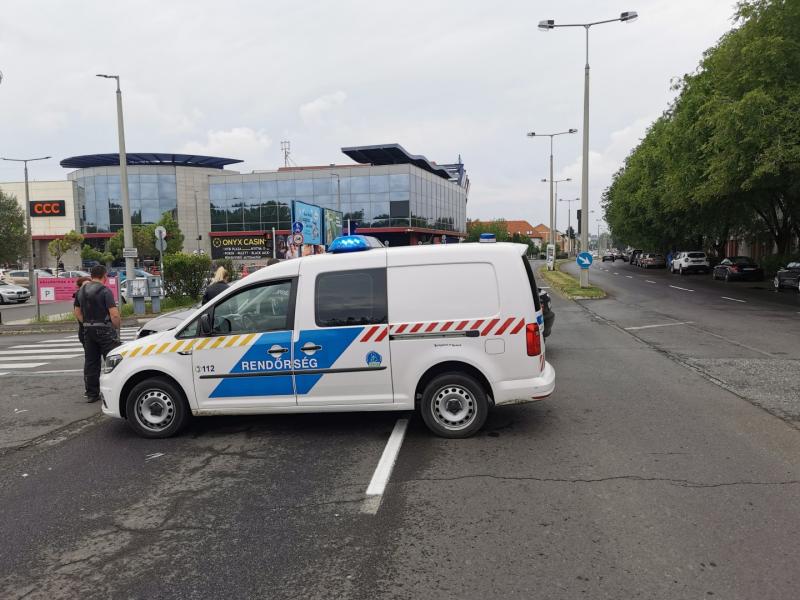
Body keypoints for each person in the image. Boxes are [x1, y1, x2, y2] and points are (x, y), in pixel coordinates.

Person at [73, 265, 121, 403]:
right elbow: (114, 314)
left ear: (92, 275)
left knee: (91, 362)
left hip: (88, 330)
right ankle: (115, 391)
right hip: (105, 330)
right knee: (113, 360)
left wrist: (86, 323)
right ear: (104, 275)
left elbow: (77, 312)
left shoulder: (81, 291)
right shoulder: (105, 291)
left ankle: (92, 393)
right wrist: (116, 327)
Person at [73, 276, 91, 347]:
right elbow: (78, 313)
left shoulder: (95, 295)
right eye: (86, 285)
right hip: (85, 331)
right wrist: (88, 324)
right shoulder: (79, 296)